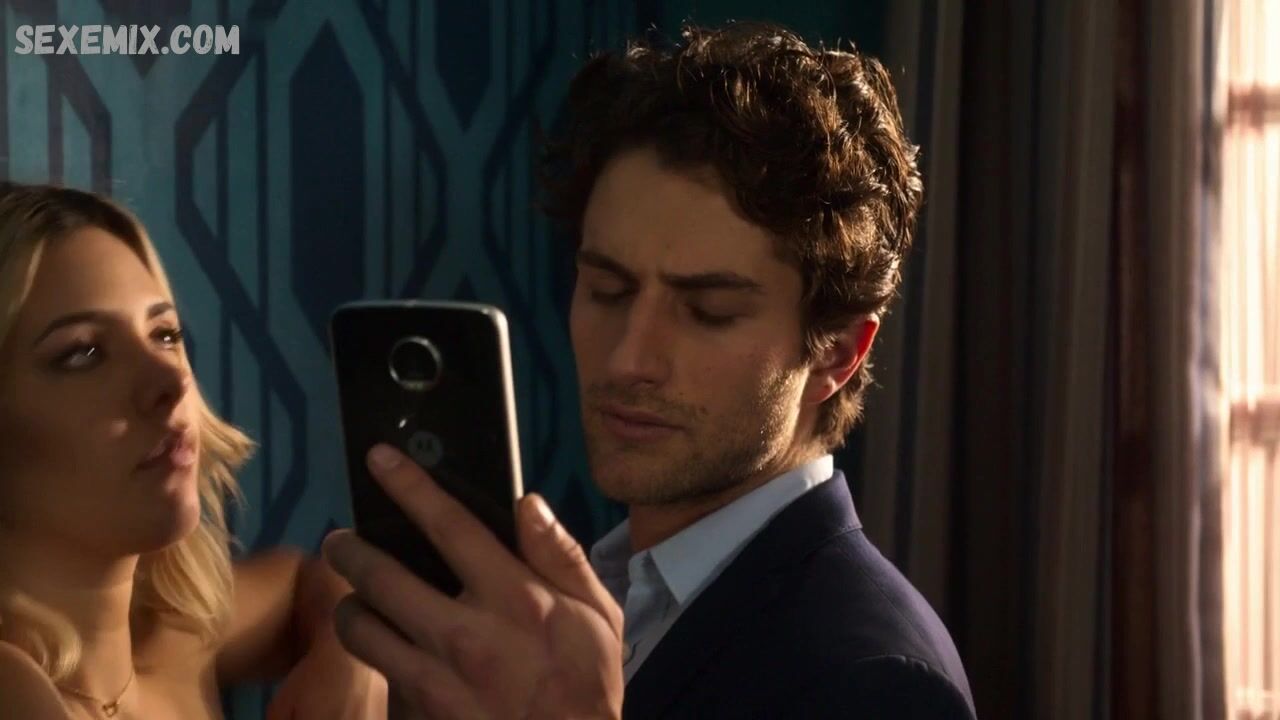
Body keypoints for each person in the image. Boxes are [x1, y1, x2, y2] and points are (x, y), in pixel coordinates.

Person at [324, 21, 976, 718]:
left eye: (709, 312)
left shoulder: (877, 682)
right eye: (608, 290)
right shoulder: (591, 601)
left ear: (837, 354)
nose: (627, 359)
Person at [0, 182, 387, 718]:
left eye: (164, 333)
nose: (172, 378)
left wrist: (350, 655)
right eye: (83, 353)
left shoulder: (173, 640)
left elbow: (303, 579)